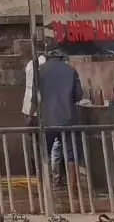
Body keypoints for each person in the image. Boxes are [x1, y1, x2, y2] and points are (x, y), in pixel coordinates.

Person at [39, 48, 84, 188]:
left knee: (45, 153)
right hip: (68, 118)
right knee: (72, 154)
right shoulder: (71, 70)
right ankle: (73, 188)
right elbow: (78, 95)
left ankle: (45, 187)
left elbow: (36, 94)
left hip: (48, 119)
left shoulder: (40, 70)